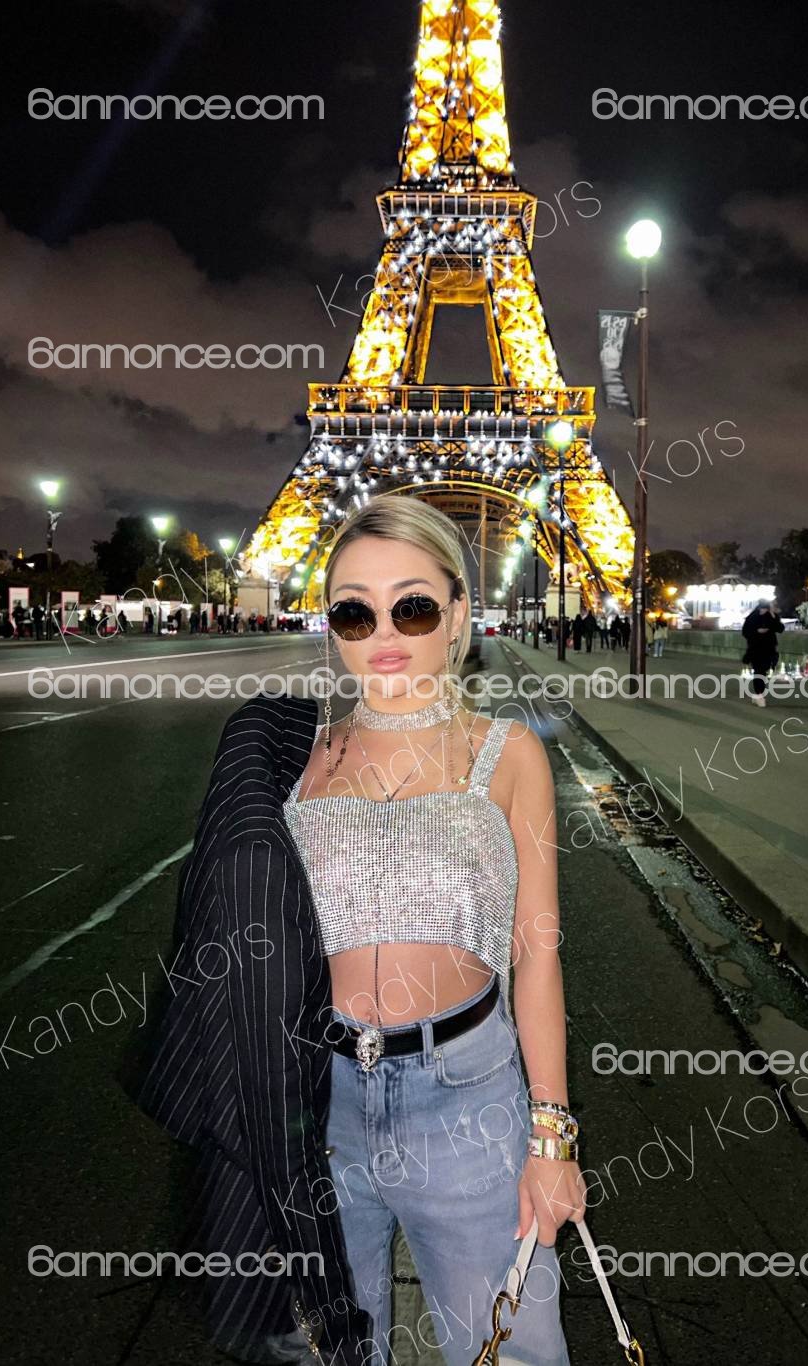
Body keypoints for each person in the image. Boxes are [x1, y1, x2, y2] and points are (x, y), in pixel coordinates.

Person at [281, 493, 582, 1366]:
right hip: (319, 1101)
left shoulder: (508, 754)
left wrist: (551, 1138)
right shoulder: (297, 757)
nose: (384, 632)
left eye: (411, 606)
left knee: (513, 1351)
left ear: (456, 613)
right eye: (355, 611)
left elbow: (536, 953)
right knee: (332, 1352)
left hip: (468, 1102)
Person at [741, 598, 784, 706]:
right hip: (755, 649)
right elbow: (745, 632)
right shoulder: (752, 617)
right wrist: (757, 631)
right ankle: (760, 695)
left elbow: (780, 629)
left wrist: (773, 616)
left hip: (769, 649)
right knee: (758, 671)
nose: (764, 611)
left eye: (766, 609)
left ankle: (759, 695)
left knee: (763, 671)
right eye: (762, 609)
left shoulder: (771, 616)